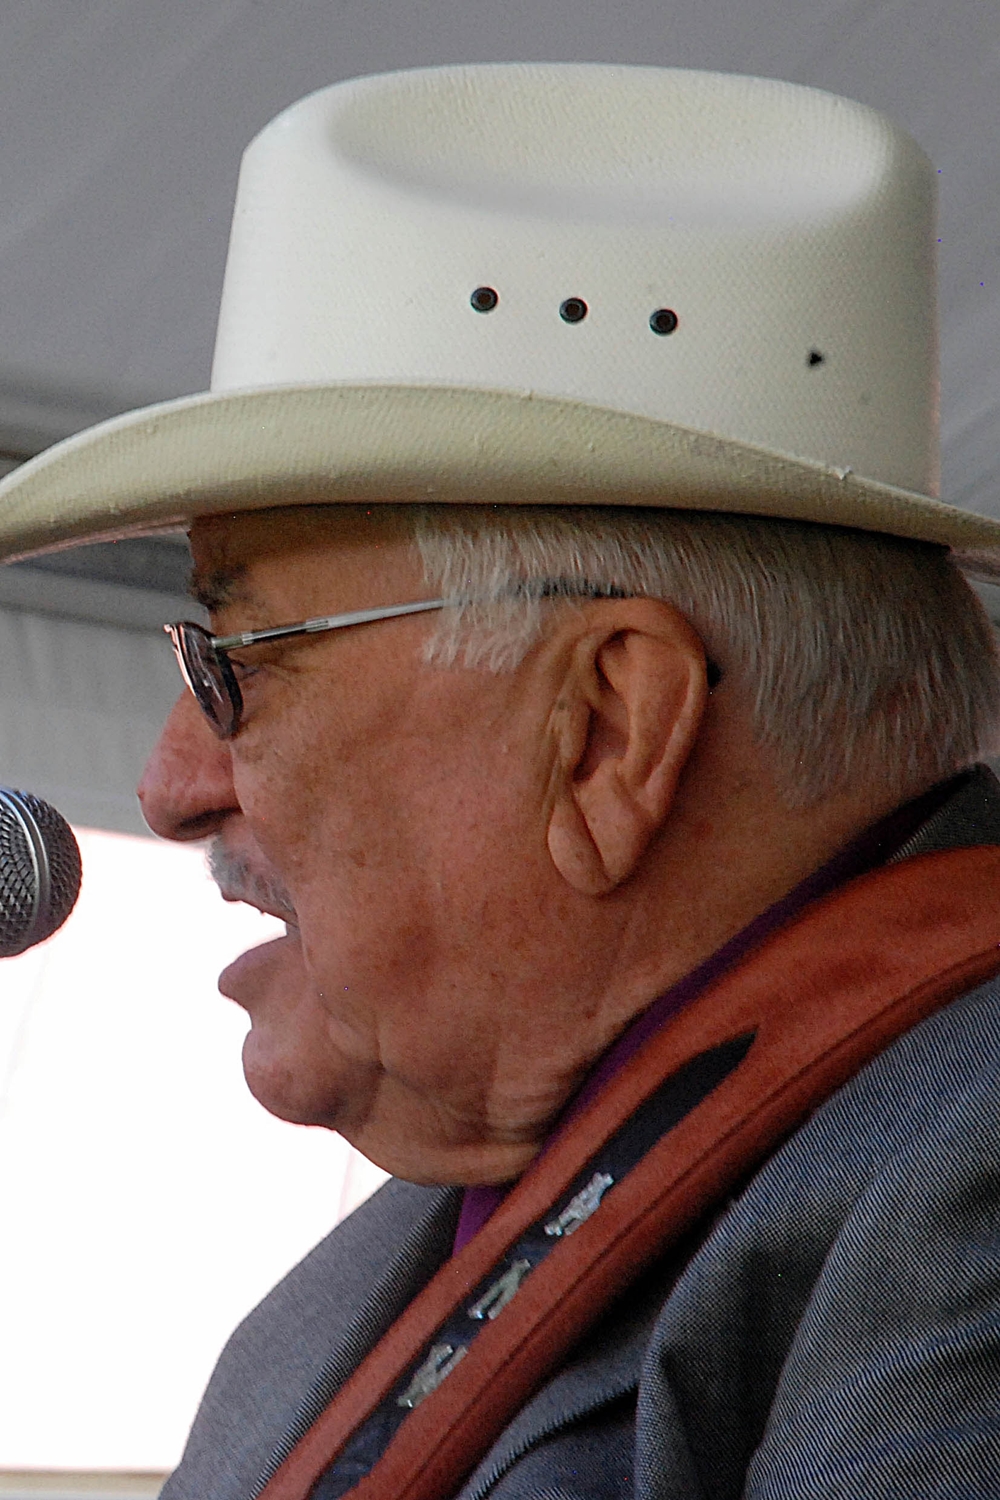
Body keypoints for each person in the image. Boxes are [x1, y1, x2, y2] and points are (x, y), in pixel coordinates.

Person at [3, 63, 1000, 1499]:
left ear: (607, 732)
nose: (171, 785)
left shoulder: (962, 1189)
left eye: (238, 660)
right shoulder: (380, 1275)